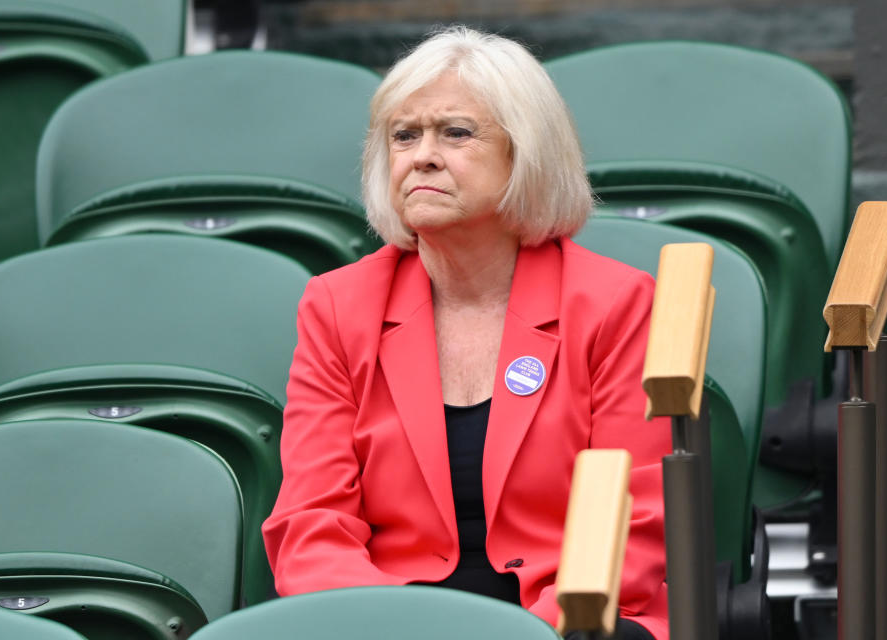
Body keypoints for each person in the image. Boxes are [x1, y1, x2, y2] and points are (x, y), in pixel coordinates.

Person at [262, 26, 670, 640]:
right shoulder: (338, 305)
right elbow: (311, 525)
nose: (422, 155)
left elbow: (631, 528)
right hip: (385, 622)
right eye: (404, 135)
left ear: (526, 153)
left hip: (568, 623)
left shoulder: (615, 304)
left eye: (455, 132)